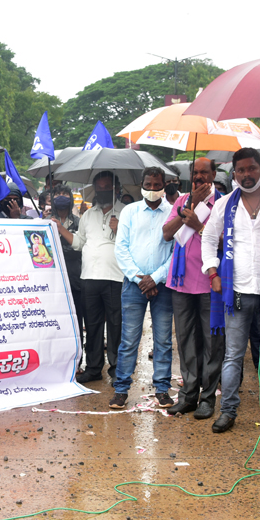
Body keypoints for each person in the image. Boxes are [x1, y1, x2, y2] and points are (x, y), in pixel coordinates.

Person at [199, 150, 260, 432]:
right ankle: (228, 411)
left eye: (252, 169)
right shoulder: (224, 204)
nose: (247, 175)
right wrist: (212, 271)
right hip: (236, 293)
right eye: (241, 170)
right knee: (233, 356)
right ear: (234, 173)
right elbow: (209, 238)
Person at [110, 167, 175, 410]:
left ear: (164, 185)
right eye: (147, 185)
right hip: (134, 285)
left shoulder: (172, 213)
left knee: (163, 340)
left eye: (156, 186)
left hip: (162, 286)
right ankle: (121, 390)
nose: (151, 190)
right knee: (129, 340)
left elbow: (174, 254)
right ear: (141, 184)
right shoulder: (130, 211)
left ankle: (162, 389)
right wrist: (141, 280)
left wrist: (155, 279)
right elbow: (121, 248)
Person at [164, 157, 220, 417]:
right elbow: (167, 233)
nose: (198, 178)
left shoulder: (223, 202)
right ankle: (188, 395)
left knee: (210, 343)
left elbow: (225, 241)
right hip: (181, 282)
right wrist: (191, 205)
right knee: (186, 341)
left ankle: (208, 398)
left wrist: (200, 225)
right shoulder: (182, 200)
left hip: (210, 282)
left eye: (204, 173)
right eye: (195, 173)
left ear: (214, 174)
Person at [73, 172, 124, 382]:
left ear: (116, 188)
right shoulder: (87, 215)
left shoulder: (126, 212)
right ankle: (93, 369)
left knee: (115, 325)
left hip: (115, 277)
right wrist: (58, 228)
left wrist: (119, 227)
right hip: (89, 277)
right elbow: (78, 242)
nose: (102, 190)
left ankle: (117, 370)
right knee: (92, 325)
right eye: (99, 187)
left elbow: (135, 243)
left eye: (107, 187)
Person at [49, 187, 84, 334]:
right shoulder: (46, 222)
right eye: (57, 194)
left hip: (75, 279)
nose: (61, 197)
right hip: (52, 282)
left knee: (76, 321)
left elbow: (79, 247)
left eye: (64, 194)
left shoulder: (78, 222)